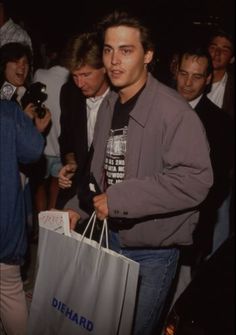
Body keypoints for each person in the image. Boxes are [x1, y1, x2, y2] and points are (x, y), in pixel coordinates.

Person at [66, 11, 213, 335]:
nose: (114, 60)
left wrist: (118, 199)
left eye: (126, 50)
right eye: (108, 50)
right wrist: (75, 209)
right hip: (108, 239)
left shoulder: (173, 112)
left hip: (152, 253)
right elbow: (98, 172)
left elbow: (196, 181)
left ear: (148, 54)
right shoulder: (109, 105)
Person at [173, 45, 233, 304]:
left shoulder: (220, 123)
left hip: (190, 225)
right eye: (183, 74)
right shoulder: (154, 106)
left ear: (208, 79)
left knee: (179, 295)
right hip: (145, 223)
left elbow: (218, 184)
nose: (187, 83)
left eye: (196, 77)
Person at [0, 99, 44, 335]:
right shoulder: (7, 111)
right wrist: (29, 124)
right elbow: (34, 149)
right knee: (9, 291)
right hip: (3, 227)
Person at [56, 32, 110, 211]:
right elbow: (67, 139)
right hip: (77, 194)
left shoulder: (122, 99)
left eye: (86, 75)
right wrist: (71, 163)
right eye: (75, 75)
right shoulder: (69, 93)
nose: (79, 83)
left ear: (104, 67)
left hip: (110, 197)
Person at [30, 42, 69, 224]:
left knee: (39, 186)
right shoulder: (71, 79)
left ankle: (39, 223)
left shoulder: (40, 73)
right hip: (61, 147)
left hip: (42, 144)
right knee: (56, 185)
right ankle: (50, 226)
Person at [207, 28, 235, 255]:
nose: (217, 54)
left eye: (224, 50)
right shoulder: (190, 80)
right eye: (214, 47)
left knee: (219, 226)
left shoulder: (231, 91)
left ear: (232, 57)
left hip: (222, 172)